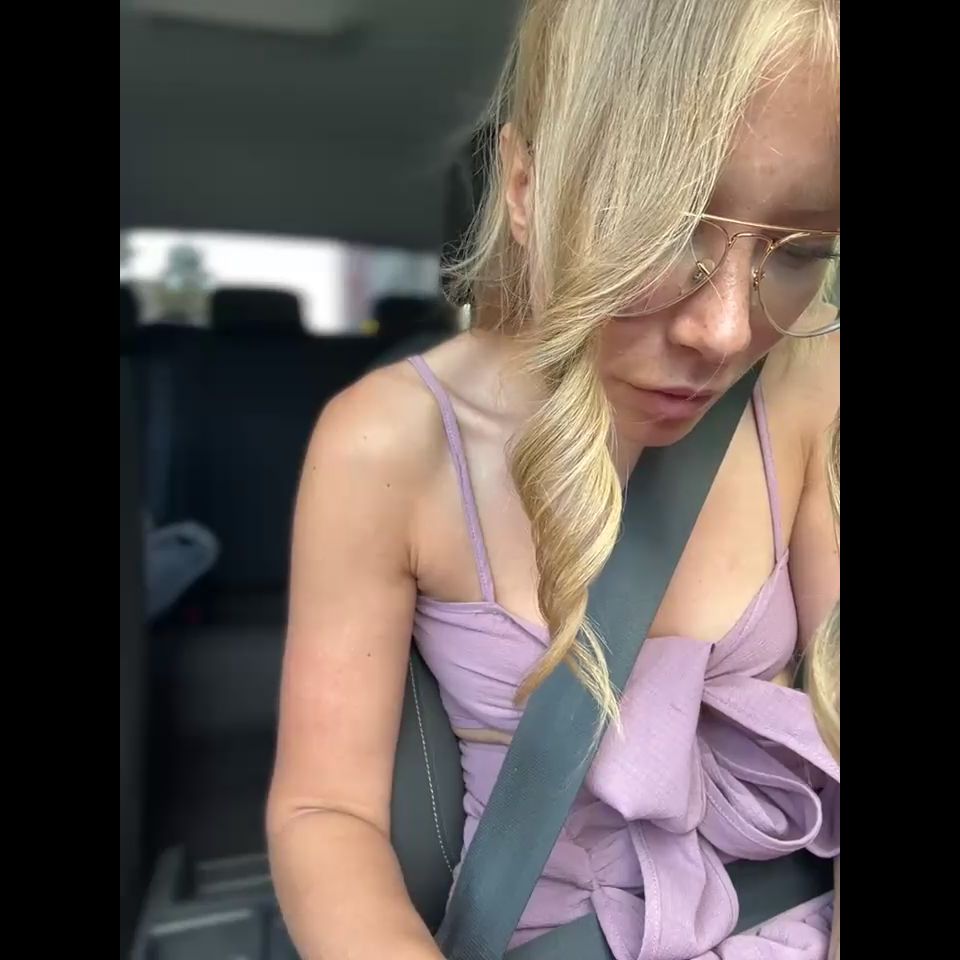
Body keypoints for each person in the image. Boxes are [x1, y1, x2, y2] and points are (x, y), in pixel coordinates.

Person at [266, 1, 841, 958]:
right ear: (525, 187)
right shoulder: (386, 445)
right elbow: (327, 813)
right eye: (661, 230)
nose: (727, 332)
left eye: (807, 250)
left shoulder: (809, 389)